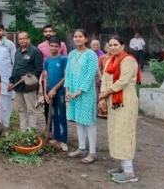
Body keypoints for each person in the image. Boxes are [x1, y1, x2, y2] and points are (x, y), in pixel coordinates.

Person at [98, 35, 140, 184]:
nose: (113, 47)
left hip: (126, 101)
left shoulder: (128, 60)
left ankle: (130, 173)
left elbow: (122, 82)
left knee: (125, 132)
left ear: (123, 46)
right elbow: (104, 80)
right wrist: (102, 98)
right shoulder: (109, 60)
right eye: (110, 45)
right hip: (113, 101)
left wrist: (105, 93)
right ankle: (123, 166)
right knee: (116, 132)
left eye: (116, 44)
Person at [65, 29, 99, 164]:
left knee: (89, 122)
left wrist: (80, 91)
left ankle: (93, 152)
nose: (77, 39)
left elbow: (91, 75)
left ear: (86, 39)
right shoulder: (71, 54)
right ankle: (81, 148)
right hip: (73, 92)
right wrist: (67, 90)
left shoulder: (91, 55)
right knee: (78, 120)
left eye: (80, 36)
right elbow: (68, 72)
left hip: (85, 93)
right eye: (75, 36)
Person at [9, 31, 43, 131]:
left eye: (24, 38)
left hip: (28, 87)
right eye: (20, 39)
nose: (22, 40)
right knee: (21, 109)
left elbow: (38, 69)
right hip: (18, 86)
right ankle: (23, 131)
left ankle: (31, 133)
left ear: (29, 39)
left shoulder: (34, 51)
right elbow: (15, 68)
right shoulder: (18, 51)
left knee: (31, 110)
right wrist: (11, 81)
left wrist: (28, 78)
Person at [38, 24, 68, 135]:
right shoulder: (41, 46)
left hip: (60, 79)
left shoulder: (62, 45)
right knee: (48, 107)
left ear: (54, 32)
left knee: (60, 109)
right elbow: (41, 63)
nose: (48, 33)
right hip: (47, 79)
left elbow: (66, 61)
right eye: (46, 31)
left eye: (50, 31)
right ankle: (49, 130)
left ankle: (61, 135)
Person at [42, 37, 68, 151]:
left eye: (56, 46)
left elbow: (66, 76)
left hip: (60, 92)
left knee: (61, 115)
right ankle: (56, 138)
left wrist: (55, 89)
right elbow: (45, 77)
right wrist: (45, 92)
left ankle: (63, 140)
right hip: (49, 93)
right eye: (52, 46)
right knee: (53, 115)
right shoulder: (47, 61)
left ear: (60, 47)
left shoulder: (63, 60)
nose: (53, 48)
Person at [97, 43, 112, 118]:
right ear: (105, 49)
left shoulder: (115, 57)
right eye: (108, 47)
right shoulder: (102, 57)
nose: (110, 48)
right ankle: (102, 111)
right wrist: (101, 77)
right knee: (102, 94)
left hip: (112, 80)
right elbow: (99, 69)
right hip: (103, 79)